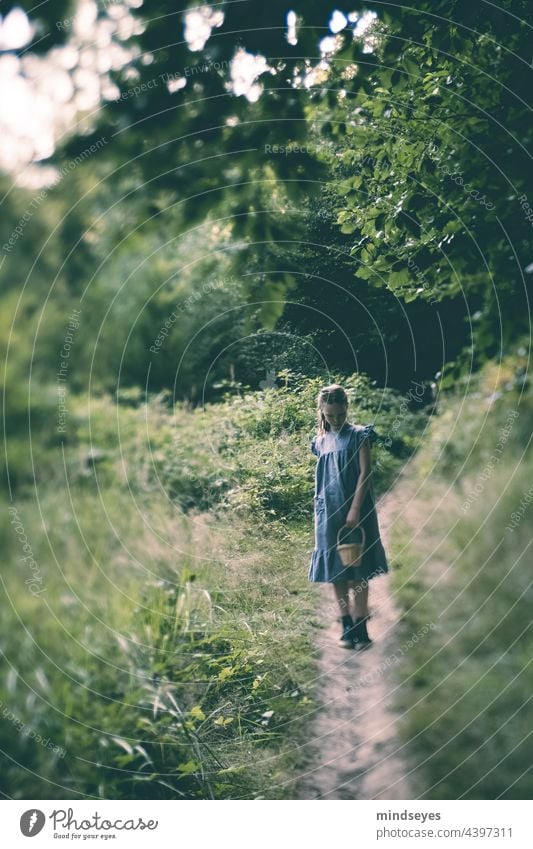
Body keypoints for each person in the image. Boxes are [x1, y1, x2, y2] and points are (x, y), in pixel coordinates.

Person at [309, 383, 388, 648]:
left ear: (346, 409)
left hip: (356, 509)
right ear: (322, 411)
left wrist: (354, 509)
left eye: (340, 415)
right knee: (336, 570)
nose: (336, 420)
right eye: (330, 415)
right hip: (327, 512)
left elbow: (365, 473)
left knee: (359, 569)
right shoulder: (319, 442)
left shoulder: (359, 435)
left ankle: (360, 626)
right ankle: (345, 625)